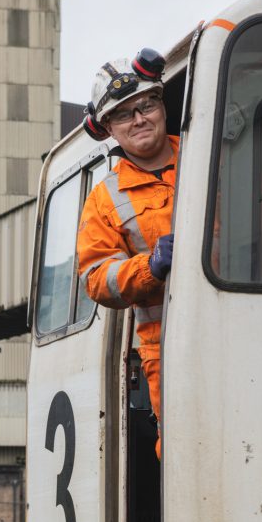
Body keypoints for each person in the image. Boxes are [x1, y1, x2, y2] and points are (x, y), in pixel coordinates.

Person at [77, 51, 177, 458]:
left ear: (161, 106)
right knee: (185, 452)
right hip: (168, 347)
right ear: (109, 130)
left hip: (252, 320)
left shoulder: (214, 157)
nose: (138, 119)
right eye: (123, 115)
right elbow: (98, 278)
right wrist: (150, 267)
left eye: (146, 105)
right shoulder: (104, 200)